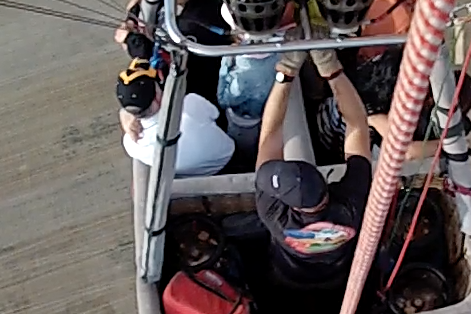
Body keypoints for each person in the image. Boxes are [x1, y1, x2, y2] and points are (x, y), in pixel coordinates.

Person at [253, 47, 373, 289]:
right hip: (339, 274)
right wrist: (332, 69)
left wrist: (285, 73)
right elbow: (358, 125)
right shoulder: (352, 204)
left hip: (285, 275)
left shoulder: (272, 213)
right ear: (327, 185)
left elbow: (270, 134)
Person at [118, 33, 234, 176]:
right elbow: (215, 113)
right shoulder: (188, 106)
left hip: (192, 177)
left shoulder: (131, 143)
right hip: (228, 158)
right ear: (157, 98)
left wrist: (125, 114)